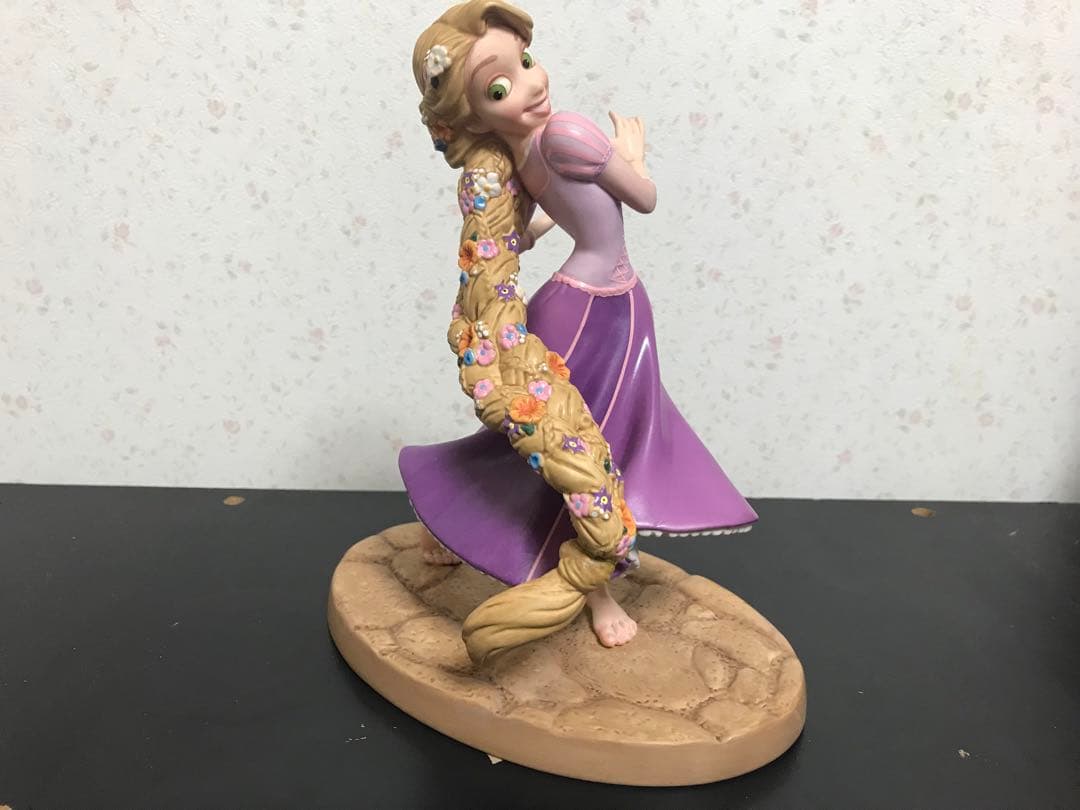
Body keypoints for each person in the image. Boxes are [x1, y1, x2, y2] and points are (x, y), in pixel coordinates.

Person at [403, 0, 756, 662]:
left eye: (526, 61)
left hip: (582, 299)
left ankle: (446, 520)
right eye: (500, 87)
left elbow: (535, 228)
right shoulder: (567, 132)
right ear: (474, 115)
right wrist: (632, 155)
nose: (531, 83)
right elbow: (644, 199)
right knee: (590, 444)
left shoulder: (517, 152)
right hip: (603, 305)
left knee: (542, 441)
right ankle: (595, 588)